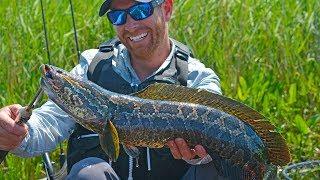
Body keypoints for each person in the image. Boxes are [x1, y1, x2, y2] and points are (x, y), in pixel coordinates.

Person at [0, 0, 223, 179]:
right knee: (89, 174)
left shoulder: (197, 79)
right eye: (118, 16)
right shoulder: (92, 67)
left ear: (166, 9)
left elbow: (220, 139)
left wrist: (199, 157)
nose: (131, 24)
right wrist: (16, 133)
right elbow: (49, 122)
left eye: (140, 10)